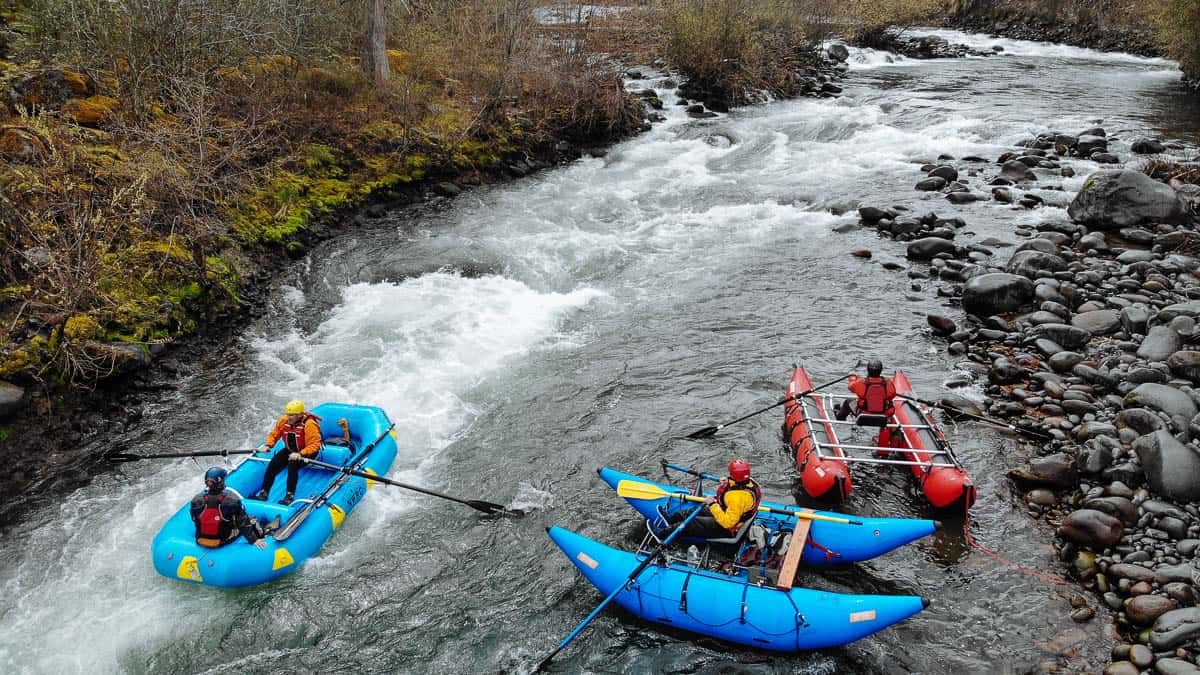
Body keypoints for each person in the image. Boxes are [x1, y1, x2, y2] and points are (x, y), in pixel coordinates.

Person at [250, 399, 323, 505]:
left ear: (300, 415)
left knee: (292, 464)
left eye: (292, 415)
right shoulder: (283, 421)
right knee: (273, 463)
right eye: (288, 414)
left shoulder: (309, 424)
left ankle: (289, 496)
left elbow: (315, 445)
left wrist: (300, 454)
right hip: (291, 450)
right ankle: (263, 494)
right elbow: (274, 434)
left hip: (308, 453)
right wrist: (268, 445)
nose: (289, 417)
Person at [669, 459, 762, 540]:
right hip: (727, 511)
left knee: (692, 523)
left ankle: (662, 534)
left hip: (728, 528)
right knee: (687, 513)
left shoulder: (736, 498)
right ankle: (668, 521)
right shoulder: (751, 482)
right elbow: (739, 484)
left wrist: (712, 504)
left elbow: (727, 523)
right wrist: (728, 481)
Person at [190, 467, 267, 549]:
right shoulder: (231, 500)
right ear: (221, 482)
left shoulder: (196, 499)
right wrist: (253, 540)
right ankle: (262, 538)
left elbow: (195, 519)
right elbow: (243, 523)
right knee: (252, 519)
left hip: (200, 539)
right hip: (222, 540)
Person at [837, 359, 898, 446]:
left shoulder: (862, 382)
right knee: (889, 405)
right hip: (882, 415)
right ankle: (884, 446)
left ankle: (839, 419)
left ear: (868, 370)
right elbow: (892, 395)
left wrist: (852, 378)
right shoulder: (887, 383)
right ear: (880, 370)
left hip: (863, 415)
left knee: (848, 402)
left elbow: (851, 387)